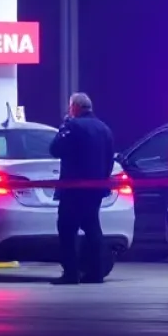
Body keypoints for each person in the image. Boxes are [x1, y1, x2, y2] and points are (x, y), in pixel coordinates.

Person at [49, 92, 115, 285]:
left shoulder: (72, 125)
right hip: (96, 187)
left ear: (75, 107)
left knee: (67, 229)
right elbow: (109, 159)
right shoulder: (104, 128)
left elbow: (55, 150)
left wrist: (63, 127)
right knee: (92, 228)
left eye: (70, 107)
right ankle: (96, 273)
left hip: (73, 186)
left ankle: (70, 273)